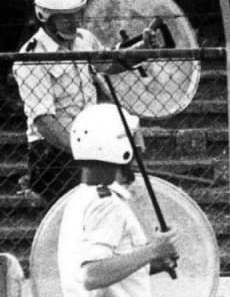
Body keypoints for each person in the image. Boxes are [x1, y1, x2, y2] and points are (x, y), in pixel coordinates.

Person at [58, 105, 179, 295]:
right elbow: (92, 275)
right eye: (131, 139)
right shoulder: (107, 205)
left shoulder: (80, 198)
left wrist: (150, 263)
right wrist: (153, 250)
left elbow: (102, 270)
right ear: (116, 146)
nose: (138, 147)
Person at [12, 0, 100, 204]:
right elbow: (44, 121)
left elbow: (107, 64)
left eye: (76, 14)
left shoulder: (85, 40)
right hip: (54, 150)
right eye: (65, 17)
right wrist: (81, 151)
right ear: (47, 17)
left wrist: (140, 48)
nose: (73, 21)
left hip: (90, 140)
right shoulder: (31, 56)